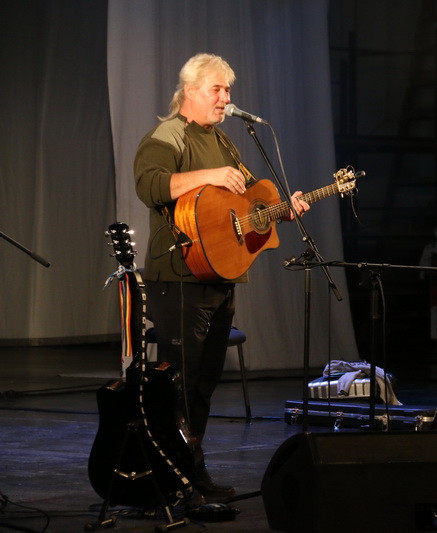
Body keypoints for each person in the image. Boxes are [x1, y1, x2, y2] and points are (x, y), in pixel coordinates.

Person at [134, 53, 309, 504]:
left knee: (204, 384)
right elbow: (150, 186)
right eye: (217, 89)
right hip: (179, 275)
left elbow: (249, 203)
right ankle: (171, 477)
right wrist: (210, 175)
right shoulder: (167, 136)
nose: (226, 98)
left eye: (228, 90)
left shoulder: (226, 141)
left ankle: (192, 471)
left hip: (220, 274)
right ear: (190, 90)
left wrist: (282, 210)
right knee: (181, 383)